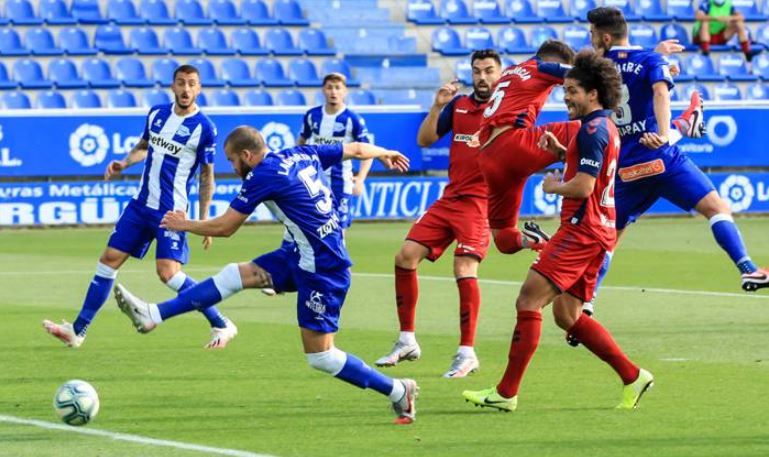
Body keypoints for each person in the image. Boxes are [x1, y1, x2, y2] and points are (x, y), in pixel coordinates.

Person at [111, 126, 420, 424]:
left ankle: (398, 390)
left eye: (231, 160)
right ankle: (154, 315)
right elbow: (355, 149)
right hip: (299, 254)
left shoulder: (263, 175)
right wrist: (384, 153)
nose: (232, 167)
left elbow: (225, 227)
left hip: (322, 268)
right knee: (236, 274)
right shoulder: (301, 153)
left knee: (321, 357)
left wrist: (184, 224)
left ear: (246, 155)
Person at [463, 50, 654, 412]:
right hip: (599, 231)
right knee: (567, 317)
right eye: (564, 90)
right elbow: (591, 169)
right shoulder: (603, 127)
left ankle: (505, 393)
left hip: (582, 230)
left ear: (593, 94)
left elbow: (582, 187)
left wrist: (553, 187)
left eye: (572, 92)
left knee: (527, 301)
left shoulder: (592, 130)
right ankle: (633, 376)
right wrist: (563, 150)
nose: (565, 97)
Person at [585, 6, 768, 308]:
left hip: (626, 167)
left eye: (592, 34)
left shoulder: (597, 69)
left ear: (605, 36)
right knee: (716, 208)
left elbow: (624, 73)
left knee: (610, 239)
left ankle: (588, 299)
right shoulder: (649, 60)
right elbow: (659, 90)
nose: (591, 39)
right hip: (660, 156)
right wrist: (663, 132)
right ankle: (747, 269)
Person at [43, 65, 237, 349]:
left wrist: (204, 221)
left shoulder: (204, 128)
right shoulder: (157, 114)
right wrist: (124, 162)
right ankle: (78, 330)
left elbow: (207, 176)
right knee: (109, 259)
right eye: (181, 83)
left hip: (171, 212)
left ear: (199, 89)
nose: (185, 89)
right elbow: (145, 146)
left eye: (191, 84)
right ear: (172, 86)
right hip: (141, 205)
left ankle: (221, 322)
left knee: (168, 273)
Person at [374, 50, 502, 378]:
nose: (483, 77)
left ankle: (467, 352)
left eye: (489, 71)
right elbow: (425, 140)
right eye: (477, 71)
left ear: (500, 73)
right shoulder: (459, 106)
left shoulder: (507, 108)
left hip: (480, 202)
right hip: (450, 198)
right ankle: (406, 340)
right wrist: (437, 106)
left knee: (463, 266)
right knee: (404, 256)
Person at [298, 72, 373, 231]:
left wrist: (360, 179)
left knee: (339, 230)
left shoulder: (353, 119)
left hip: (341, 181)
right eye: (329, 87)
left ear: (345, 91)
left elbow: (368, 151)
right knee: (312, 228)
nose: (333, 92)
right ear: (323, 90)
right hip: (314, 179)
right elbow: (301, 142)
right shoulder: (312, 115)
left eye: (338, 88)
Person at [693, 0, 758, 61]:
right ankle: (705, 51)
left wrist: (729, 18)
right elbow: (698, 16)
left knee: (739, 23)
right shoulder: (706, 3)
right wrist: (715, 18)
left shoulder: (728, 4)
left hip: (720, 36)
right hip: (701, 37)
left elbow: (741, 17)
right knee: (705, 21)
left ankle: (747, 51)